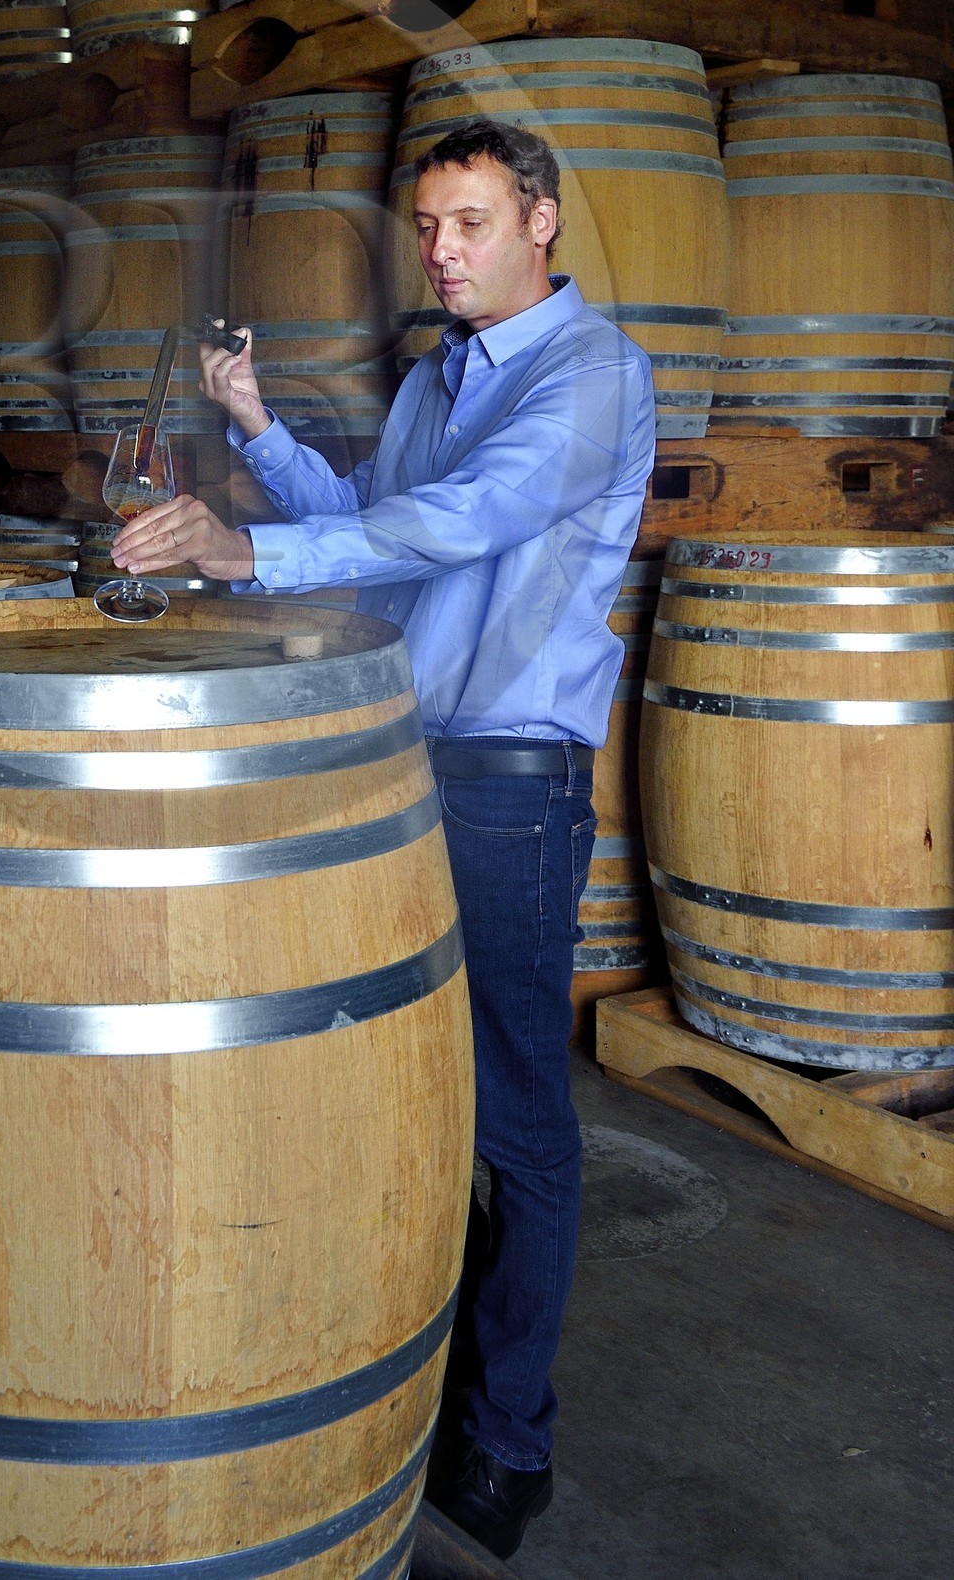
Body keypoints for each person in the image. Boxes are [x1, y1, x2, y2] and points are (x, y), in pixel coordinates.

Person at [113, 116, 657, 1561]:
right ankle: (445, 1369)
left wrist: (240, 551)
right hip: (406, 763)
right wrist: (255, 429)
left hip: (511, 778)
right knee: (423, 1094)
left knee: (521, 1119)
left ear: (542, 221)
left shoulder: (598, 376)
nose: (442, 250)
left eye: (471, 221)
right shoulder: (434, 377)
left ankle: (510, 1440)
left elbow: (466, 524)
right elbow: (379, 523)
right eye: (428, 226)